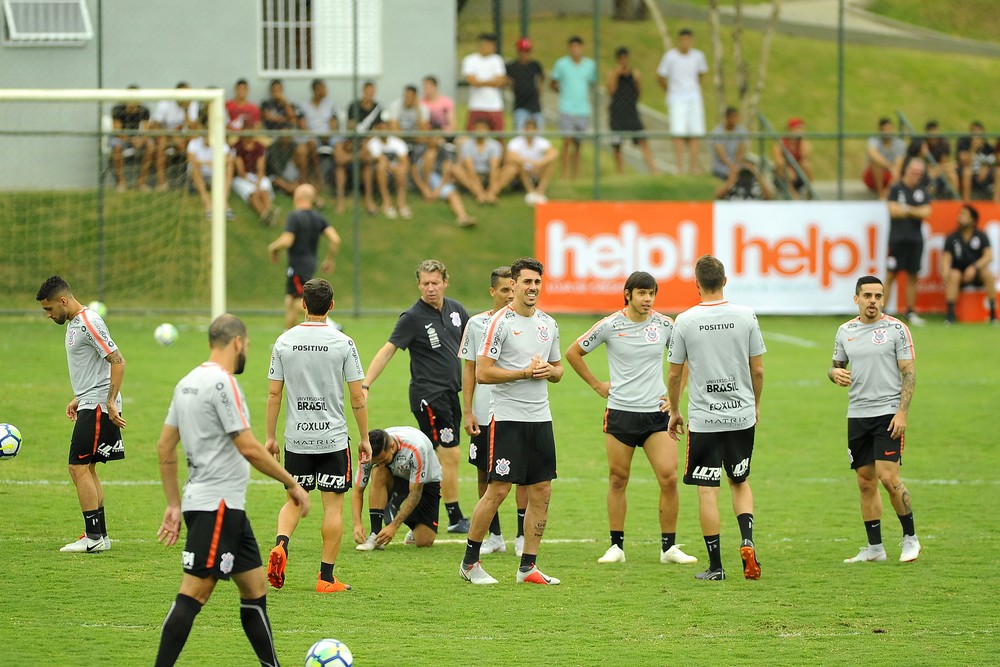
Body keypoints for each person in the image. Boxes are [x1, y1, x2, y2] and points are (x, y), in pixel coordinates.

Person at [152, 314, 310, 666]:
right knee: (196, 590)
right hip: (217, 506)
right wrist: (292, 482)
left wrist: (174, 505)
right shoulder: (223, 384)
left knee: (255, 590)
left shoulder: (187, 383)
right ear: (237, 342)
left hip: (221, 508)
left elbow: (165, 447)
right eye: (248, 345)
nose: (247, 351)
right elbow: (249, 447)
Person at [566, 271, 698, 566]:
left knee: (669, 478)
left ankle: (669, 548)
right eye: (641, 293)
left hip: (656, 415)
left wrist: (674, 397)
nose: (647, 299)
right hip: (621, 413)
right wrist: (598, 385)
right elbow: (573, 352)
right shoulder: (611, 325)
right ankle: (616, 546)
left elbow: (685, 358)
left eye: (651, 293)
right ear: (628, 294)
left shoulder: (666, 325)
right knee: (617, 479)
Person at [460, 256, 564, 586]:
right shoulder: (499, 324)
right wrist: (523, 373)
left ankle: (528, 567)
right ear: (514, 285)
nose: (532, 288)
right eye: (526, 282)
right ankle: (470, 563)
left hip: (540, 419)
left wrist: (550, 372)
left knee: (542, 490)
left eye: (537, 282)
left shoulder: (549, 324)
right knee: (498, 491)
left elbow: (559, 369)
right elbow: (483, 372)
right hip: (507, 420)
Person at [264, 279, 370, 594]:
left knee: (294, 500)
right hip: (333, 439)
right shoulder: (344, 342)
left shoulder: (283, 341)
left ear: (303, 304)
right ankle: (325, 578)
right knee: (333, 508)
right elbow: (357, 398)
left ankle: (281, 544)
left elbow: (273, 394)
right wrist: (364, 437)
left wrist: (270, 437)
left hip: (297, 439)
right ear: (332, 305)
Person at [666, 255, 765, 581]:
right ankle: (747, 539)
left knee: (708, 490)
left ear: (697, 284)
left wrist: (675, 410)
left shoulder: (685, 320)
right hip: (740, 415)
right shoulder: (746, 315)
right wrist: (755, 405)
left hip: (705, 419)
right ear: (725, 282)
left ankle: (716, 566)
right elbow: (758, 370)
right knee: (740, 481)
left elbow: (675, 374)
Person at [362, 259, 471, 533]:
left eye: (435, 283)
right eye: (425, 284)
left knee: (439, 455)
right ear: (418, 285)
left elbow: (474, 346)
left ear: (445, 282)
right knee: (450, 453)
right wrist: (365, 384)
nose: (431, 288)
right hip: (428, 395)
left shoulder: (457, 310)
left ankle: (398, 498)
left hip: (450, 394)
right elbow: (387, 350)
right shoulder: (412, 317)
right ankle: (455, 516)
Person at [829, 276, 920, 564]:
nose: (873, 301)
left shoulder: (896, 329)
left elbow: (909, 372)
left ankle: (910, 539)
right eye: (867, 295)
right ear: (856, 298)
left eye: (878, 296)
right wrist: (834, 375)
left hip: (888, 414)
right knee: (865, 482)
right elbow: (836, 366)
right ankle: (875, 548)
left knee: (889, 478)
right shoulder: (845, 331)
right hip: (857, 414)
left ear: (883, 299)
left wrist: (902, 412)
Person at [36, 276, 126, 554]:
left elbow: (117, 360)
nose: (49, 315)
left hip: (98, 406)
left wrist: (109, 401)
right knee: (86, 468)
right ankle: (99, 535)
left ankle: (94, 537)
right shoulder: (76, 323)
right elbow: (95, 365)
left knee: (77, 467)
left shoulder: (89, 322)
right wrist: (78, 397)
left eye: (49, 309)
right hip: (90, 401)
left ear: (63, 300)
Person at [459, 267, 528, 557]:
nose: (510, 295)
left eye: (513, 289)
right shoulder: (476, 324)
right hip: (483, 414)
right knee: (484, 475)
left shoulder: (527, 322)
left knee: (523, 476)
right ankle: (494, 535)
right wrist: (467, 411)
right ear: (493, 292)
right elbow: (469, 369)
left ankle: (523, 535)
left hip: (515, 412)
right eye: (504, 290)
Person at [352, 426, 444, 550]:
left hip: (425, 483)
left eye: (384, 459)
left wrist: (394, 526)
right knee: (379, 471)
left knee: (424, 541)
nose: (381, 463)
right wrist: (357, 524)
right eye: (377, 461)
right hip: (396, 477)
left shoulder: (416, 449)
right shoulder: (366, 452)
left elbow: (415, 493)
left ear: (393, 447)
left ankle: (404, 516)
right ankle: (375, 535)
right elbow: (358, 490)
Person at [267, 184, 341, 330]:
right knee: (289, 301)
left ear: (298, 197)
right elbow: (335, 239)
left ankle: (331, 325)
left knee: (297, 302)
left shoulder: (295, 216)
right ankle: (286, 340)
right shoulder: (318, 218)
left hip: (297, 267)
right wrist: (330, 259)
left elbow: (287, 240)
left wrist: (273, 248)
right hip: (310, 264)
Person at [883, 157, 931, 326]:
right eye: (913, 171)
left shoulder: (922, 191)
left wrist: (905, 208)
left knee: (913, 275)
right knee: (890, 275)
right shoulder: (896, 188)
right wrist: (914, 210)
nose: (915, 175)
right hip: (897, 239)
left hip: (915, 239)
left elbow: (926, 212)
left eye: (919, 173)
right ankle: (882, 312)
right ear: (906, 170)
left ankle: (910, 312)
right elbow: (892, 211)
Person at [657, 28, 709, 174]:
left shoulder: (698, 56)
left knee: (695, 132)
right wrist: (670, 91)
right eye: (683, 40)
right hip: (676, 98)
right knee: (678, 132)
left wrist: (693, 88)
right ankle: (680, 167)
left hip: (693, 97)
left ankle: (693, 166)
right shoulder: (670, 57)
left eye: (688, 40)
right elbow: (660, 76)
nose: (685, 43)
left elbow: (701, 74)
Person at [550, 35, 597, 180]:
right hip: (566, 108)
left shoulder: (590, 65)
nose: (575, 49)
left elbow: (592, 83)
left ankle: (575, 175)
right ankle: (564, 173)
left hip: (583, 109)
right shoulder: (561, 64)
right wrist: (563, 91)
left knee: (578, 144)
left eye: (578, 46)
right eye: (572, 46)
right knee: (567, 141)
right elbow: (553, 82)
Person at [942, 204, 996, 324]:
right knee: (954, 274)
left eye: (964, 215)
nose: (960, 217)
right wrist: (945, 271)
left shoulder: (981, 236)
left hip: (976, 273)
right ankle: (950, 315)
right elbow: (946, 258)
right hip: (959, 274)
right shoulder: (952, 237)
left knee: (987, 273)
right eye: (959, 214)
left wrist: (974, 267)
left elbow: (988, 256)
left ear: (973, 219)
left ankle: (993, 314)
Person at [607, 46, 657, 175]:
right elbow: (611, 90)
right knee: (617, 145)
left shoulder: (635, 74)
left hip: (631, 113)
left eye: (625, 58)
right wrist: (617, 74)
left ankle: (653, 170)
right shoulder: (613, 73)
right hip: (617, 115)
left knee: (642, 140)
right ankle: (620, 173)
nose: (623, 61)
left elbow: (639, 93)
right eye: (621, 59)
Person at [410, 143, 476, 228]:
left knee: (453, 194)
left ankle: (462, 217)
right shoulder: (419, 149)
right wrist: (425, 189)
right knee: (430, 156)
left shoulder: (444, 151)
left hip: (437, 178)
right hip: (423, 178)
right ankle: (428, 191)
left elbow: (446, 172)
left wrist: (438, 190)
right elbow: (414, 172)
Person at [150, 82, 201, 191]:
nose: (186, 98)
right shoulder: (165, 104)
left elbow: (193, 128)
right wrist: (172, 134)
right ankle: (162, 183)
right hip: (165, 136)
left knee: (194, 141)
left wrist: (186, 111)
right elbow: (155, 127)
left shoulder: (192, 104)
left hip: (183, 137)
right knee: (161, 144)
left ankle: (194, 180)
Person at [502, 118, 558, 205]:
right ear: (524, 129)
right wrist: (528, 162)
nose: (530, 131)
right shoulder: (516, 142)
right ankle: (530, 191)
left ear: (536, 130)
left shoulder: (542, 141)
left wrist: (540, 163)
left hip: (537, 170)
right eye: (528, 128)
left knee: (550, 163)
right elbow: (510, 156)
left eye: (532, 129)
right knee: (518, 163)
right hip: (521, 172)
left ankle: (540, 191)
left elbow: (554, 153)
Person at [366, 113, 412, 219]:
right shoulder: (372, 143)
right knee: (381, 166)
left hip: (395, 168)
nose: (384, 129)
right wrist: (392, 166)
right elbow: (380, 159)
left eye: (385, 126)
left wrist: (396, 167)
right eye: (381, 127)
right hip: (380, 170)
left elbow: (404, 160)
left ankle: (401, 203)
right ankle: (387, 202)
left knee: (402, 169)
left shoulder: (397, 142)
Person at [452, 118, 506, 205]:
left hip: (488, 175)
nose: (480, 131)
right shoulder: (466, 145)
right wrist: (479, 191)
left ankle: (491, 194)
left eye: (483, 128)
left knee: (511, 169)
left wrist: (492, 190)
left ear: (488, 130)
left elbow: (494, 168)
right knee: (456, 168)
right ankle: (479, 194)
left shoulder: (495, 145)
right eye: (478, 128)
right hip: (473, 176)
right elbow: (470, 169)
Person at [110, 85, 154, 191]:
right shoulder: (117, 109)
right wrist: (130, 139)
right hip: (121, 138)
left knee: (150, 145)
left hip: (137, 138)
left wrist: (141, 139)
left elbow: (147, 130)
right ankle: (121, 182)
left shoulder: (144, 110)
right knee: (117, 146)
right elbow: (117, 131)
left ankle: (142, 182)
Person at [187, 124, 235, 220]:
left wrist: (216, 163)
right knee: (194, 167)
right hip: (199, 174)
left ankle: (224, 203)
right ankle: (208, 204)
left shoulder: (221, 143)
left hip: (215, 174)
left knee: (230, 167)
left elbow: (229, 159)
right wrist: (208, 162)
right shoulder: (194, 143)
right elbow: (191, 160)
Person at [296, 79, 337, 192]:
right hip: (311, 136)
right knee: (311, 143)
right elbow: (303, 125)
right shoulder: (304, 105)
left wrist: (328, 135)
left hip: (328, 136)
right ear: (315, 90)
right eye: (322, 88)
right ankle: (318, 176)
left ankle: (336, 183)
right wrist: (315, 135)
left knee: (339, 145)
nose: (325, 91)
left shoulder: (330, 105)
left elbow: (334, 124)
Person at [462, 32, 507, 131]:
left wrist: (480, 82)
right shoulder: (470, 60)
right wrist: (492, 82)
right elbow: (473, 82)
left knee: (499, 135)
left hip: (495, 106)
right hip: (476, 105)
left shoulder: (497, 60)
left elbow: (500, 81)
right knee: (470, 134)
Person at [232, 133, 277, 225]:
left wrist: (259, 182)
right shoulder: (237, 147)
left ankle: (268, 211)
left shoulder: (259, 147)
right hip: (242, 178)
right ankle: (264, 215)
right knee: (253, 193)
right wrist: (252, 182)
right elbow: (241, 172)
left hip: (256, 175)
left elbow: (261, 167)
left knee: (264, 189)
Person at [906, 120, 955, 198]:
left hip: (938, 172)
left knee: (952, 174)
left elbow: (943, 163)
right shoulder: (921, 143)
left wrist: (940, 168)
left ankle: (956, 200)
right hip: (925, 173)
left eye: (935, 131)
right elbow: (924, 166)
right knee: (934, 173)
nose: (934, 134)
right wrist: (945, 166)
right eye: (931, 131)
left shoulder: (944, 143)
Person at [507, 37, 545, 131]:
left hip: (535, 105)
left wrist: (539, 89)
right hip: (520, 105)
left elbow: (541, 77)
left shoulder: (535, 65)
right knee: (520, 132)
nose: (524, 54)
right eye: (522, 51)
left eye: (527, 51)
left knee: (538, 133)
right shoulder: (512, 66)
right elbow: (506, 79)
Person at [863, 117, 906, 199]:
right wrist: (889, 166)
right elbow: (872, 154)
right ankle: (880, 194)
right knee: (876, 163)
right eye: (885, 129)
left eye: (889, 129)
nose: (887, 132)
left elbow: (898, 165)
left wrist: (887, 190)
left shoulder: (899, 143)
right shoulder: (874, 140)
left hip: (891, 177)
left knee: (898, 171)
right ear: (880, 131)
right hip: (873, 177)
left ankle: (885, 195)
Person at [772, 117, 814, 199]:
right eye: (798, 128)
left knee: (806, 165)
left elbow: (805, 157)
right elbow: (779, 161)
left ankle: (810, 193)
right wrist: (789, 169)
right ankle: (794, 198)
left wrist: (802, 140)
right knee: (784, 170)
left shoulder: (803, 143)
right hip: (784, 174)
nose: (801, 131)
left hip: (797, 172)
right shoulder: (781, 143)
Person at [956, 121, 996, 201]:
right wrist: (973, 148)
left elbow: (994, 162)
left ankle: (996, 203)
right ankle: (966, 201)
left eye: (979, 133)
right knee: (967, 172)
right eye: (973, 133)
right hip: (969, 171)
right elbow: (966, 163)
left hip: (983, 174)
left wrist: (986, 167)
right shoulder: (964, 143)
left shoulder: (988, 147)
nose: (976, 136)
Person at [710, 106, 748, 182]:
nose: (735, 119)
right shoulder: (717, 131)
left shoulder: (741, 130)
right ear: (727, 118)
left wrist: (736, 164)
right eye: (733, 117)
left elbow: (741, 149)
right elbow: (721, 153)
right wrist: (730, 166)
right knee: (730, 173)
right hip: (721, 164)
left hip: (736, 163)